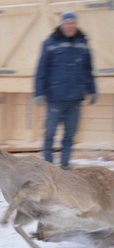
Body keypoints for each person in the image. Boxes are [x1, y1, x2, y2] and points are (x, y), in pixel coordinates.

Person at [34, 11, 97, 169]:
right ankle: (48, 166)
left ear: (76, 25)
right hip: (55, 97)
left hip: (75, 98)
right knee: (49, 134)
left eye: (73, 23)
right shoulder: (50, 42)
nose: (70, 26)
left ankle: (65, 165)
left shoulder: (83, 43)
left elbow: (88, 70)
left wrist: (92, 89)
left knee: (69, 135)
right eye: (67, 23)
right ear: (61, 25)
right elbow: (41, 70)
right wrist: (39, 92)